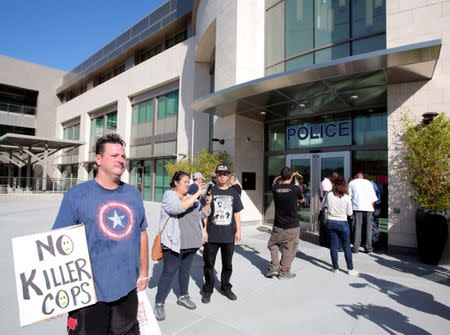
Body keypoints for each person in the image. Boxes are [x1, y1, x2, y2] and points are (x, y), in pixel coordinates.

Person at [52, 134, 149, 335]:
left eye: (123, 155)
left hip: (127, 292)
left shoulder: (133, 194)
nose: (121, 160)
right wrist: (55, 293)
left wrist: (144, 272)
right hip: (88, 297)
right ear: (98, 160)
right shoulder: (76, 195)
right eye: (114, 155)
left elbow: (141, 232)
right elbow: (57, 243)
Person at [154, 171, 211, 321]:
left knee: (185, 271)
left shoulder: (192, 199)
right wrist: (196, 194)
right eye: (185, 182)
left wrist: (208, 203)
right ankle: (159, 302)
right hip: (174, 243)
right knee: (168, 273)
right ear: (176, 183)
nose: (188, 184)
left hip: (191, 243)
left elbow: (203, 215)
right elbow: (177, 208)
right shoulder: (170, 195)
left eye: (188, 182)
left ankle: (183, 296)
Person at [202, 164, 244, 303]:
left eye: (225, 174)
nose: (222, 176)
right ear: (216, 175)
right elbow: (205, 213)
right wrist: (204, 231)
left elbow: (236, 213)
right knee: (209, 264)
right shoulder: (210, 191)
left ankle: (226, 287)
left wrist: (238, 230)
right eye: (219, 173)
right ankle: (208, 289)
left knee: (228, 264)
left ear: (228, 176)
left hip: (228, 235)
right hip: (212, 234)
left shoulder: (233, 193)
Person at [266, 167, 304, 279]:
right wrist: (294, 175)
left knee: (273, 244)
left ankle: (274, 265)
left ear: (281, 177)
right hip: (292, 225)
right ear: (291, 176)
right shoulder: (295, 189)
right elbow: (302, 201)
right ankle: (284, 272)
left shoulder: (275, 188)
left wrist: (286, 175)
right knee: (289, 248)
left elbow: (275, 180)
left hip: (278, 225)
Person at [323, 176, 358, 275]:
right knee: (346, 246)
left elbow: (323, 206)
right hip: (343, 223)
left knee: (333, 246)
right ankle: (350, 269)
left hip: (330, 222)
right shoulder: (347, 197)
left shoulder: (329, 195)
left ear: (334, 184)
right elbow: (350, 212)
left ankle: (335, 268)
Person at [348, 172, 378, 254]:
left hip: (357, 207)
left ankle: (355, 248)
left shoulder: (352, 183)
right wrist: (372, 208)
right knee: (368, 228)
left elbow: (349, 198)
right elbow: (373, 198)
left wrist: (349, 211)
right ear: (363, 177)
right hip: (368, 208)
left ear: (355, 177)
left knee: (357, 228)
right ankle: (368, 248)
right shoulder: (369, 183)